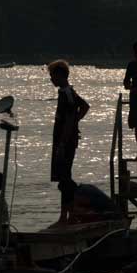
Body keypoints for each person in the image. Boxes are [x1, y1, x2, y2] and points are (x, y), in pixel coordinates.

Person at [48, 59, 90, 225]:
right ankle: (67, 215)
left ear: (60, 75)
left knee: (65, 179)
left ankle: (67, 215)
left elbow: (71, 117)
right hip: (64, 140)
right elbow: (84, 107)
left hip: (64, 142)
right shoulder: (67, 92)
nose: (51, 79)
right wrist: (75, 123)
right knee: (63, 178)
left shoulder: (67, 94)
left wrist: (64, 142)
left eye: (53, 76)